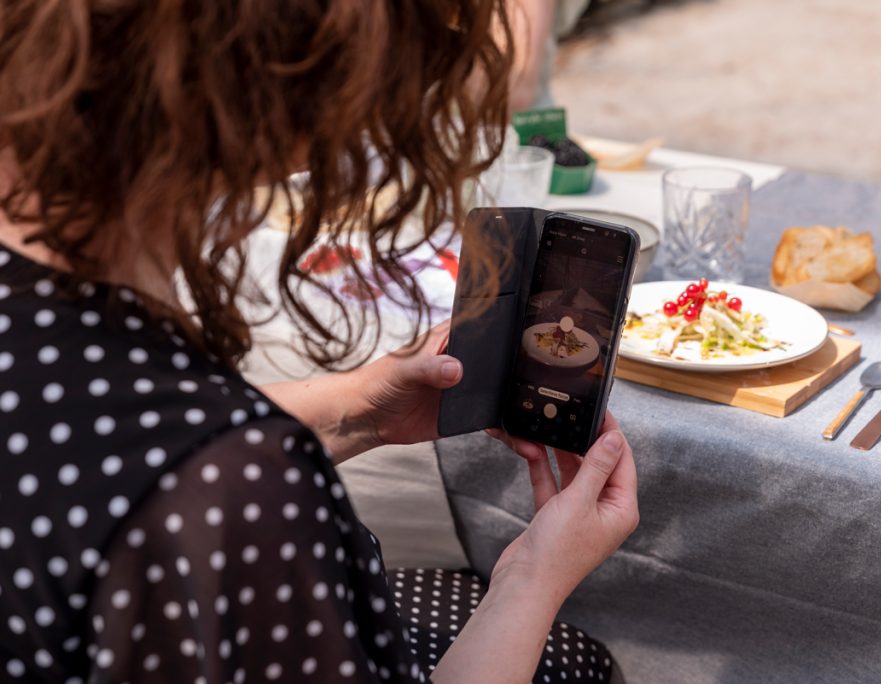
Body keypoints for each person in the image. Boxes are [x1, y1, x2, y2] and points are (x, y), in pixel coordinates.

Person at [0, 1, 639, 683]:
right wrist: (531, 576)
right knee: (571, 659)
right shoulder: (232, 492)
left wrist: (349, 411)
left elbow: (96, 439)